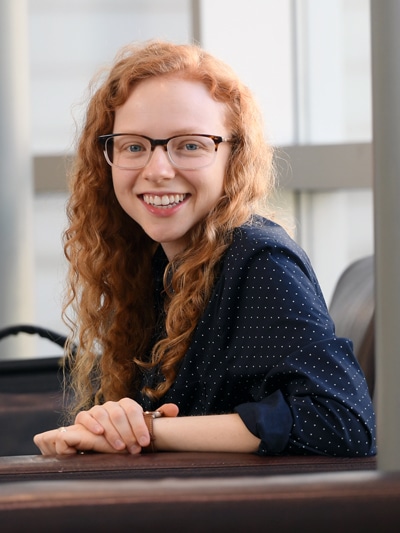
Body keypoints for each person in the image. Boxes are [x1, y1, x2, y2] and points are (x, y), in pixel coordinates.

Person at [34, 40, 376, 457]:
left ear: (233, 157)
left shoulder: (258, 261)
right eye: (134, 146)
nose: (157, 170)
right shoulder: (154, 263)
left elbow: (343, 423)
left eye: (190, 145)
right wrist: (103, 427)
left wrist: (148, 430)